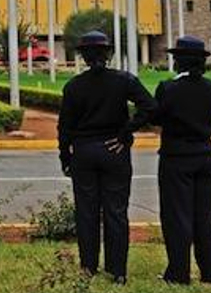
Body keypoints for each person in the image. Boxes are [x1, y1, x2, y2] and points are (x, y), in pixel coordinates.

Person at [57, 31, 157, 284]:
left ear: (83, 56)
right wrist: (126, 133)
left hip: (84, 152)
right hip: (115, 150)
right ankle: (118, 271)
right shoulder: (123, 80)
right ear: (108, 54)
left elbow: (64, 127)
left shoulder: (74, 86)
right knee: (116, 211)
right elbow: (150, 107)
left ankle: (88, 267)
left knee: (87, 213)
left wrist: (65, 158)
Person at [154, 36, 211, 285]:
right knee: (205, 218)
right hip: (206, 156)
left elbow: (157, 116)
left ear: (178, 62)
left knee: (177, 217)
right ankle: (210, 274)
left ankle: (179, 274)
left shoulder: (168, 88)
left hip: (176, 158)